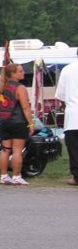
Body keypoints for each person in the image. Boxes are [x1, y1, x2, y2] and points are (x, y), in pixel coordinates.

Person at [0, 63, 34, 185]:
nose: (23, 73)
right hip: (18, 122)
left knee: (5, 150)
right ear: (13, 74)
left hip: (4, 121)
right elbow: (25, 107)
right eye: (20, 71)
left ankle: (3, 176)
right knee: (17, 151)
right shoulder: (20, 88)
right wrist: (30, 124)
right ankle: (16, 176)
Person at [54, 52, 78, 186]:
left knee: (74, 149)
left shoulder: (67, 70)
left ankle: (77, 177)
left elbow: (61, 96)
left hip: (73, 116)